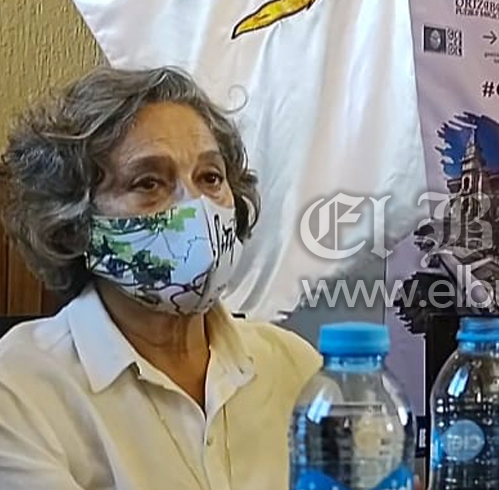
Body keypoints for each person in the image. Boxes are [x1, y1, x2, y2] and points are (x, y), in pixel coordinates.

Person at [0, 67, 322, 489]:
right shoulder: (19, 387)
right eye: (149, 182)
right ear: (75, 224)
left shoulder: (293, 365)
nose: (197, 206)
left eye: (210, 177)